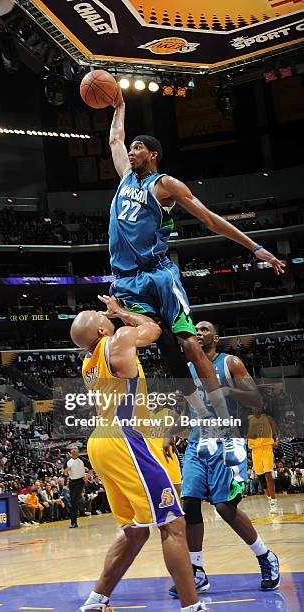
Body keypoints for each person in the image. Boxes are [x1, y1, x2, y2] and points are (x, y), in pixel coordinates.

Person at [108, 95, 285, 465]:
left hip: (157, 274)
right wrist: (119, 105)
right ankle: (199, 418)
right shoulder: (125, 179)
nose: (132, 151)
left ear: (153, 155)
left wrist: (255, 248)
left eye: (139, 147)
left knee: (188, 342)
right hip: (125, 279)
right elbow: (114, 140)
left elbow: (210, 219)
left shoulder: (165, 185)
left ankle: (224, 423)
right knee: (161, 345)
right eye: (133, 146)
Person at [70, 295, 209, 612]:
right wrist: (123, 313)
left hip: (100, 441)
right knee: (173, 524)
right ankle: (192, 607)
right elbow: (155, 329)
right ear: (104, 331)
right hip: (124, 439)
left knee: (134, 532)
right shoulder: (118, 339)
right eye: (99, 314)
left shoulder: (88, 363)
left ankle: (95, 601)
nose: (103, 314)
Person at [169, 321, 280, 598]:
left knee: (224, 507)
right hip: (197, 442)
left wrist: (228, 391)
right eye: (195, 329)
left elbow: (256, 401)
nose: (198, 332)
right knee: (190, 504)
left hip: (227, 441)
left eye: (204, 329)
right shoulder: (190, 368)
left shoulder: (230, 363)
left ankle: (266, 556)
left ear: (215, 338)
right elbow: (186, 407)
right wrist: (171, 433)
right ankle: (197, 572)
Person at [247, 405, 280, 514]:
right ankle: (270, 499)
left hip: (266, 448)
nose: (255, 408)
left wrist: (277, 441)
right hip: (255, 450)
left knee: (268, 475)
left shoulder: (268, 418)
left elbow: (277, 430)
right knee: (261, 477)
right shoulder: (248, 419)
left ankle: (273, 502)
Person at [64, 447, 86, 528]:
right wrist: (66, 470)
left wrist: (87, 477)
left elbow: (91, 468)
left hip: (80, 481)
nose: (74, 450)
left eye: (75, 448)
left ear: (78, 451)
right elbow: (65, 473)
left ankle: (73, 522)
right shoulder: (68, 461)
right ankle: (82, 508)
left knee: (73, 501)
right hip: (71, 482)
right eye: (72, 449)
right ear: (70, 451)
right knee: (74, 501)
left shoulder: (82, 459)